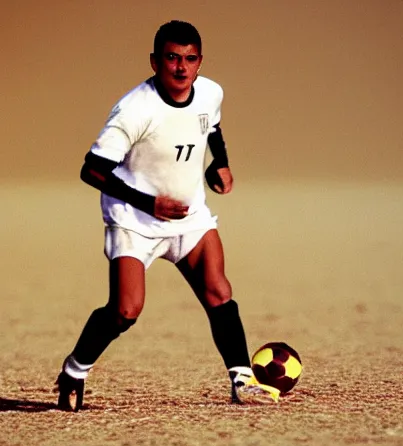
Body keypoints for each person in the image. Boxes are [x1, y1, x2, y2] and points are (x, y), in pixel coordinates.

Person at [55, 20, 279, 411]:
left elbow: (212, 127)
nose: (181, 68)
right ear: (155, 61)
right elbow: (91, 169)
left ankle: (243, 381)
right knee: (126, 310)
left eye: (190, 60)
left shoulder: (210, 92)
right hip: (133, 219)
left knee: (218, 291)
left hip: (189, 215)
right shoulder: (135, 109)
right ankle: (74, 370)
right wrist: (149, 203)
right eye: (172, 58)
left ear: (200, 62)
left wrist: (220, 164)